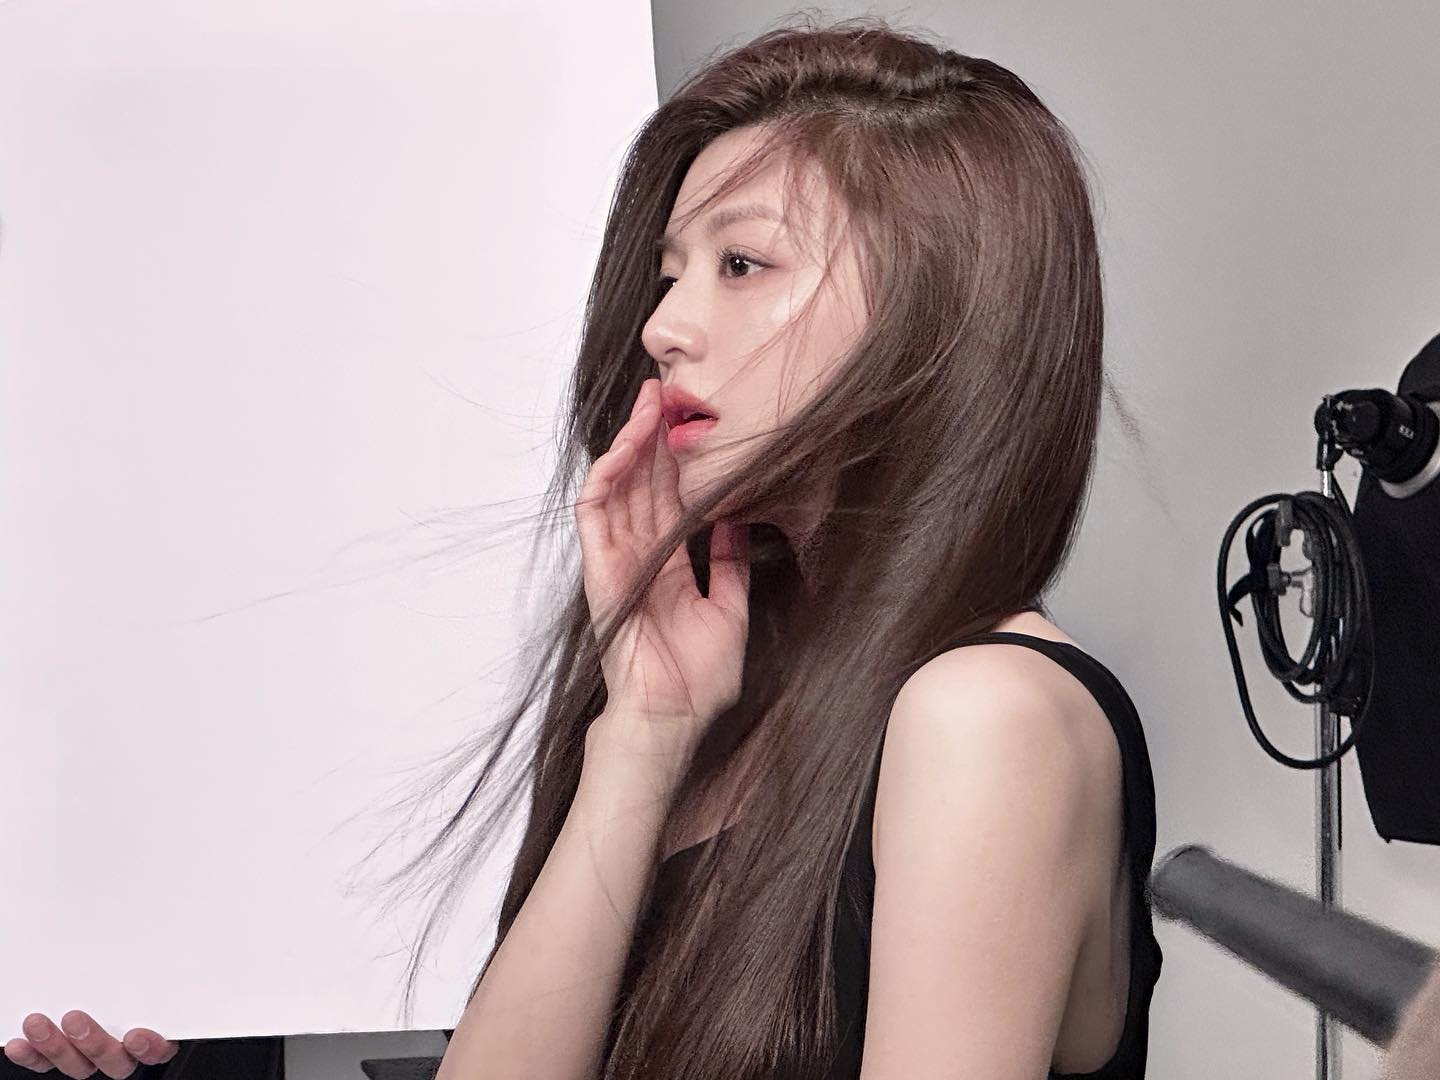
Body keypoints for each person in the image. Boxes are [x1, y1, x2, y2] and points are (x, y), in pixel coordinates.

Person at [3, 14, 1428, 1080]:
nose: (664, 326)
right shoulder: (716, 687)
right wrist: (641, 738)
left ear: (938, 316)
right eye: (671, 270)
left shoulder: (985, 710)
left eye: (743, 266)